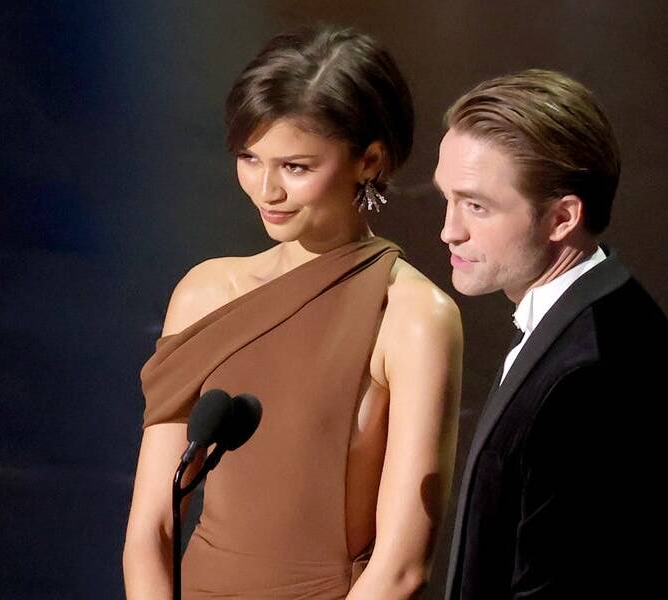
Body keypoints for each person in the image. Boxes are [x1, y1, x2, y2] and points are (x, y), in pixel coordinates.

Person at [123, 26, 463, 600]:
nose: (266, 190)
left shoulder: (411, 316)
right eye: (249, 158)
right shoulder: (206, 292)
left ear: (369, 160)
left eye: (296, 167)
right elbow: (151, 528)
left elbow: (402, 568)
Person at [434, 69, 668, 598]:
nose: (449, 230)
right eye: (447, 198)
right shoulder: (600, 319)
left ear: (562, 217)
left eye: (476, 206)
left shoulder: (592, 375)